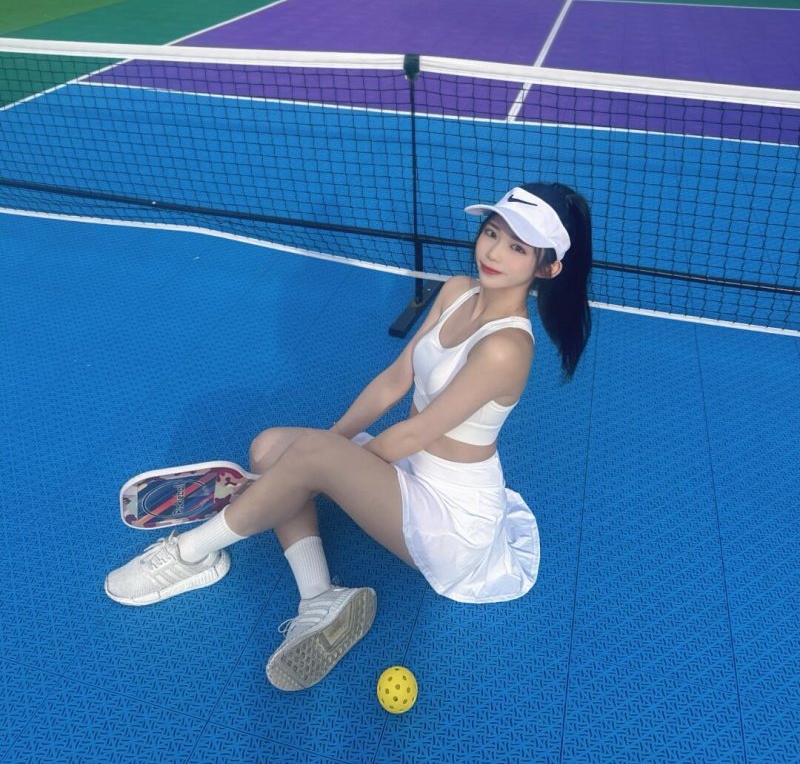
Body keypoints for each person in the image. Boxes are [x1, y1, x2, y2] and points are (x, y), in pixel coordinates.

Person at [105, 181, 592, 691]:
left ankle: (189, 555)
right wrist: (322, 449)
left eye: (517, 248)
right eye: (491, 233)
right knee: (271, 447)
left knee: (308, 458)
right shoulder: (455, 291)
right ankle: (319, 597)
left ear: (547, 268)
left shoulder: (507, 348)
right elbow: (395, 380)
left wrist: (317, 468)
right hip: (409, 470)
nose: (493, 252)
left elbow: (414, 432)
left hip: (452, 519)